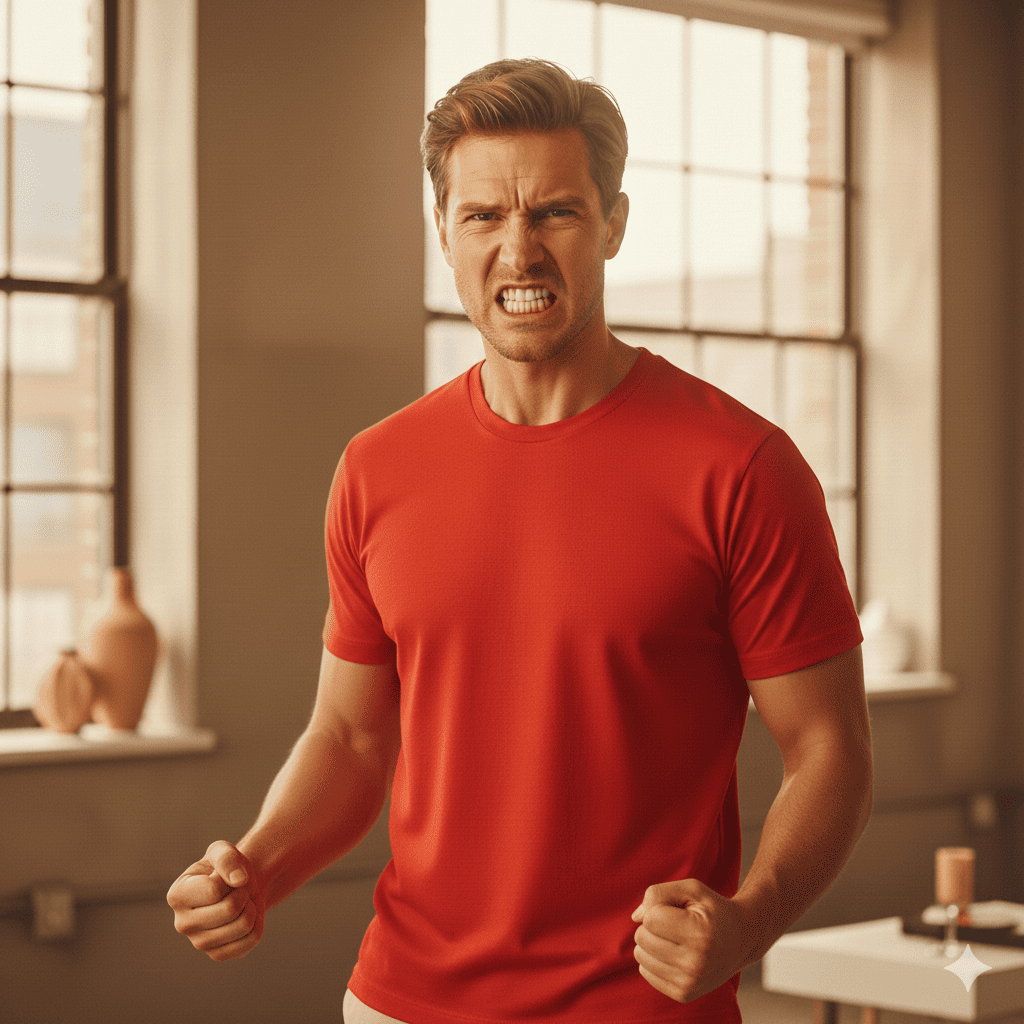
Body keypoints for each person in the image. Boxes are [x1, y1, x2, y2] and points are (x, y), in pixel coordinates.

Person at [167, 58, 873, 1023]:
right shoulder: (377, 469)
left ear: (613, 224)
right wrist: (257, 865)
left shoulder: (741, 467)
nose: (519, 251)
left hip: (632, 1009)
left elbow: (829, 746)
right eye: (484, 217)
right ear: (443, 232)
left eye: (555, 214)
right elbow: (351, 735)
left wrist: (749, 919)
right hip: (398, 1001)